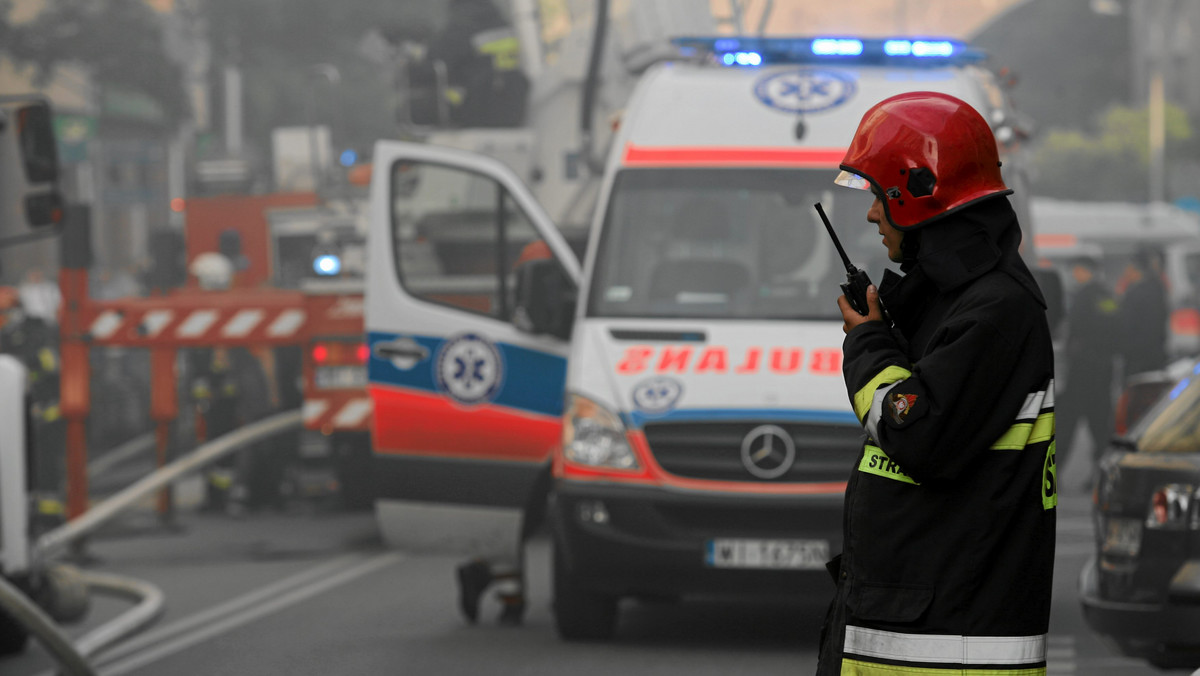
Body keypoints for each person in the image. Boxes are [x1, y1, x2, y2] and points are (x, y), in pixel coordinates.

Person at [819, 91, 1056, 675]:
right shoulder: (957, 304)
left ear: (918, 195)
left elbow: (916, 431)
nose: (873, 214)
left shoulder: (995, 312)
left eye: (879, 196)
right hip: (915, 636)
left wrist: (869, 343)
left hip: (946, 652)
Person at [1056, 257, 1119, 486]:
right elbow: (1115, 328)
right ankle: (1103, 476)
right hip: (1102, 371)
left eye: (1077, 271)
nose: (1075, 275)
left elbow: (1075, 330)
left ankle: (1053, 473)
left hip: (1081, 372)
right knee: (1101, 428)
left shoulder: (1083, 296)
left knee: (1065, 424)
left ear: (1086, 271)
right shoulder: (1107, 296)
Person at [426, 0, 529, 128]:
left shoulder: (462, 26)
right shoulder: (502, 24)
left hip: (474, 105)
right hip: (510, 105)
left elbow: (434, 63)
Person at [1118, 246, 1169, 380]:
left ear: (1136, 270)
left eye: (1128, 268)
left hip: (1140, 356)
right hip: (1152, 354)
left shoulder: (1140, 293)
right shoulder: (1155, 289)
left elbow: (1129, 324)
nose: (1125, 272)